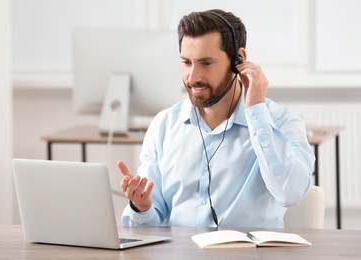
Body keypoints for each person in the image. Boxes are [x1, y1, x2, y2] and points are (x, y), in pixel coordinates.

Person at [117, 9, 315, 228]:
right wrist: (141, 207)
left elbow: (290, 193)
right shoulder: (164, 125)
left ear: (238, 60)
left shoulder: (281, 122)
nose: (193, 77)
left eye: (206, 63)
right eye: (186, 62)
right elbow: (148, 226)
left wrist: (257, 111)